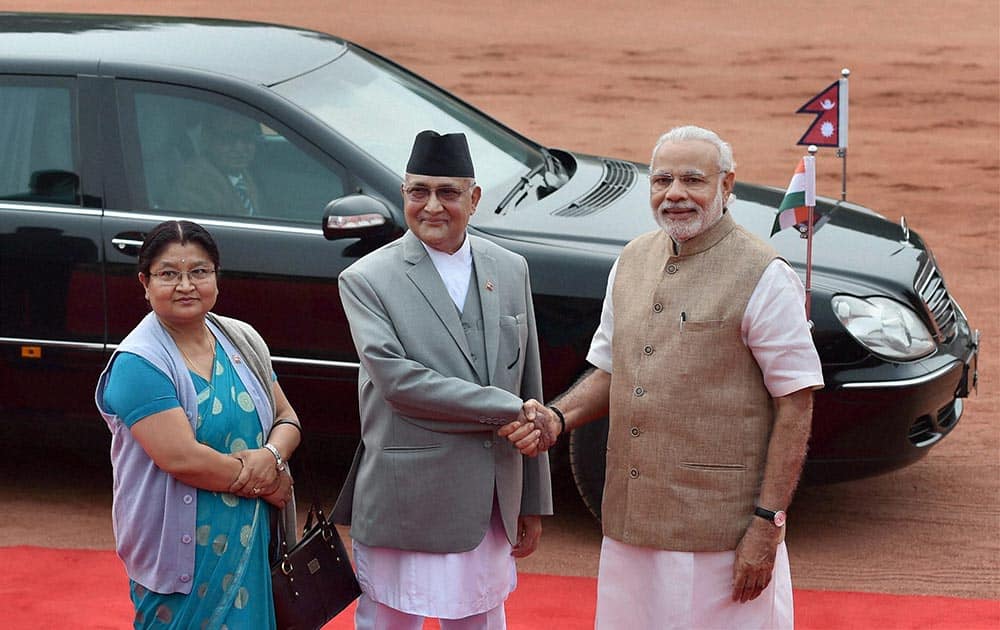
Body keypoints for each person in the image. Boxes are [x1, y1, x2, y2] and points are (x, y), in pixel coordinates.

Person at [504, 125, 824, 629]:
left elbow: (796, 402)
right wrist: (559, 417)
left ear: (727, 185)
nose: (674, 194)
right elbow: (610, 369)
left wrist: (769, 524)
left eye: (692, 180)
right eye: (662, 180)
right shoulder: (631, 260)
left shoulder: (763, 273)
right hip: (631, 527)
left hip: (722, 535)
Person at [332, 129, 553, 629]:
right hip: (404, 498)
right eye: (418, 192)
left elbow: (529, 382)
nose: (432, 206)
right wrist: (507, 410)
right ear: (404, 194)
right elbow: (399, 383)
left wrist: (532, 499)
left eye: (448, 193)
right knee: (391, 619)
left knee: (481, 619)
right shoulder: (368, 279)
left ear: (473, 199)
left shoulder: (510, 268)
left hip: (490, 502)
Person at [95, 219, 301, 629]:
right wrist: (265, 478)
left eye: (199, 272)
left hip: (250, 541)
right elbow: (182, 459)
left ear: (216, 278)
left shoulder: (241, 339)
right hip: (178, 557)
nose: (186, 285)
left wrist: (273, 454)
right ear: (145, 282)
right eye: (169, 274)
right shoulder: (139, 363)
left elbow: (287, 418)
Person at [174, 110, 264, 215]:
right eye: (228, 138)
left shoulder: (242, 173)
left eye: (247, 137)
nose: (240, 148)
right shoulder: (195, 184)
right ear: (207, 138)